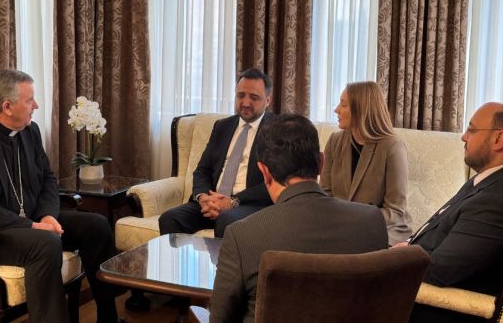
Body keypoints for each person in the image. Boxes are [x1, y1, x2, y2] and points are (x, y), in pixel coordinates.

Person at [0, 69, 124, 323]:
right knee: (45, 243)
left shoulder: (30, 131)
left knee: (96, 226)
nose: (36, 106)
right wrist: (32, 226)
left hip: (31, 220)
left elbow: (48, 179)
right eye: (30, 100)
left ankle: (109, 318)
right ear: (7, 107)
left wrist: (47, 216)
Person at [210, 114, 388, 323]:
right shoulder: (372, 221)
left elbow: (220, 319)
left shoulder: (241, 236)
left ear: (264, 172)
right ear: (321, 163)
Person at [397, 102, 503, 323]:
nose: (463, 137)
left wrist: (395, 259)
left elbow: (439, 272)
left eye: (471, 130)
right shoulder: (500, 177)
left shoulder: (502, 198)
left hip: (432, 309)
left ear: (499, 139)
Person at [159, 68, 274, 238]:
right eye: (241, 95)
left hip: (248, 206)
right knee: (170, 218)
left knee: (226, 220)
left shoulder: (277, 130)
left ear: (268, 100)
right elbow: (202, 170)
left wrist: (233, 201)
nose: (245, 103)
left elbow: (275, 182)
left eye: (254, 97)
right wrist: (203, 198)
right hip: (211, 202)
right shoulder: (222, 126)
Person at [320, 81, 412, 245]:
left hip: (383, 229)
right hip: (340, 226)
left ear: (361, 110)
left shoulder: (392, 147)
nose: (336, 110)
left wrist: (352, 221)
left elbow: (395, 211)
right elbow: (325, 194)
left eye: (343, 105)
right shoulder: (335, 141)